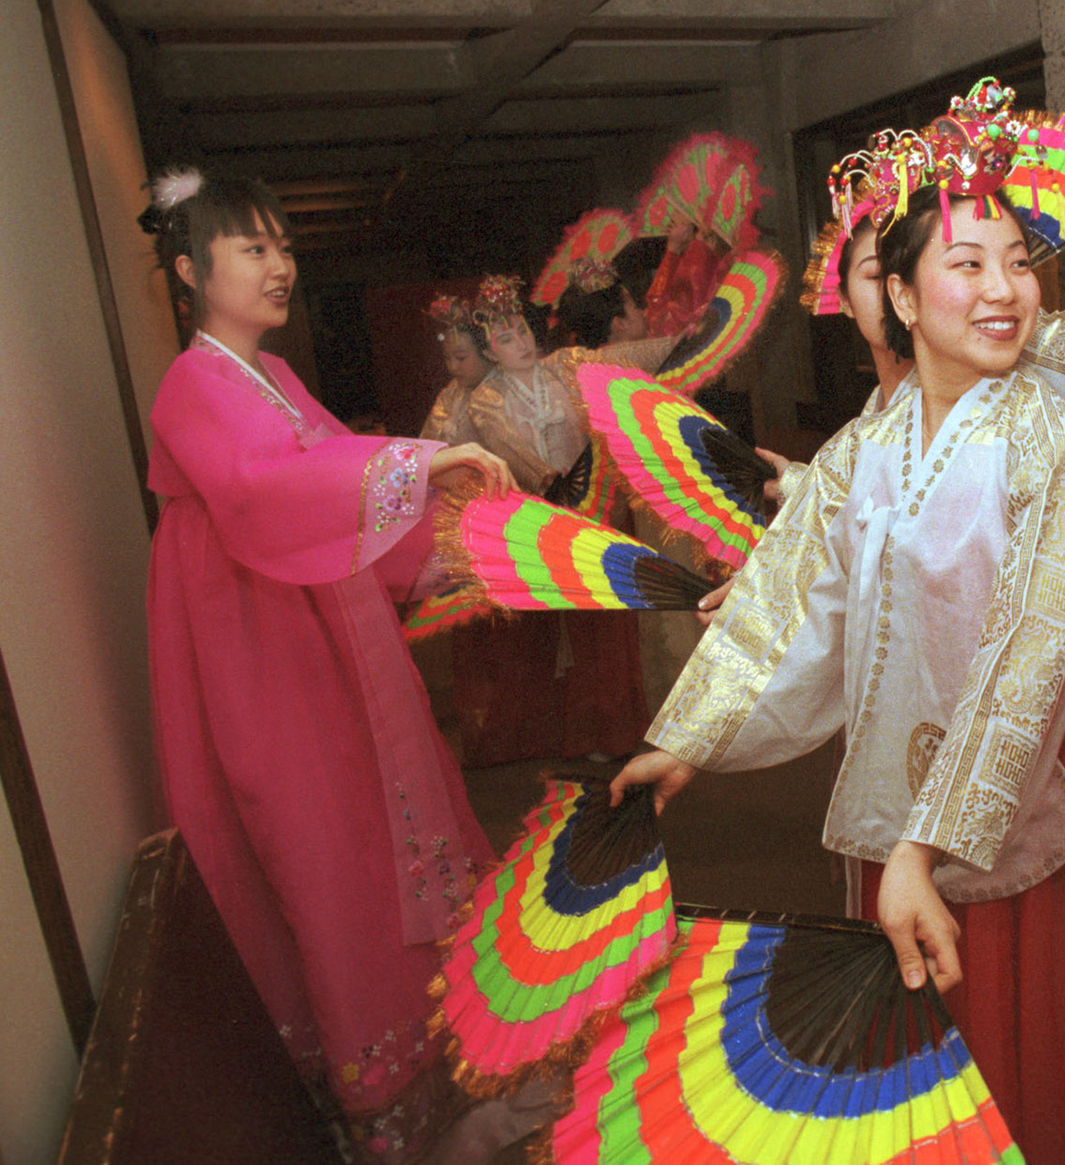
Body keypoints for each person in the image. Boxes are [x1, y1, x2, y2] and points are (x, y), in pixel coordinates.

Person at [612, 96, 1065, 1164]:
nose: (1004, 289)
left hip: (1026, 800)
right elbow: (794, 606)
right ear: (900, 295)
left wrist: (929, 841)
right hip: (890, 815)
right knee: (915, 1090)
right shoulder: (867, 448)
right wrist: (690, 741)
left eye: (1018, 262)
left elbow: (1033, 649)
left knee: (1030, 1083)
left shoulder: (1063, 429)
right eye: (968, 265)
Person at [139, 169, 556, 1163]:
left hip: (324, 635)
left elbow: (341, 485)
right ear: (191, 270)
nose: (280, 264)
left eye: (284, 245)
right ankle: (406, 1124)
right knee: (330, 857)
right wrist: (420, 463)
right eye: (252, 247)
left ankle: (463, 1092)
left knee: (392, 838)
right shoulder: (191, 384)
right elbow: (261, 491)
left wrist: (472, 541)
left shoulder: (273, 378)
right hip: (264, 656)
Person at [460, 272, 682, 765]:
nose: (519, 342)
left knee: (618, 622)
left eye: (520, 330)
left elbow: (622, 359)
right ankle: (586, 731)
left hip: (602, 507)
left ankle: (623, 727)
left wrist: (679, 341)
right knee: (580, 631)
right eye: (505, 338)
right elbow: (511, 451)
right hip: (549, 521)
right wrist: (550, 479)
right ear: (491, 352)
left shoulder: (564, 365)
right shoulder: (485, 400)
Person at [419, 294, 489, 444]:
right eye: (447, 358)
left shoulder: (506, 390)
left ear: (486, 353)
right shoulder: (450, 395)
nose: (452, 367)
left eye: (461, 358)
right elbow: (430, 446)